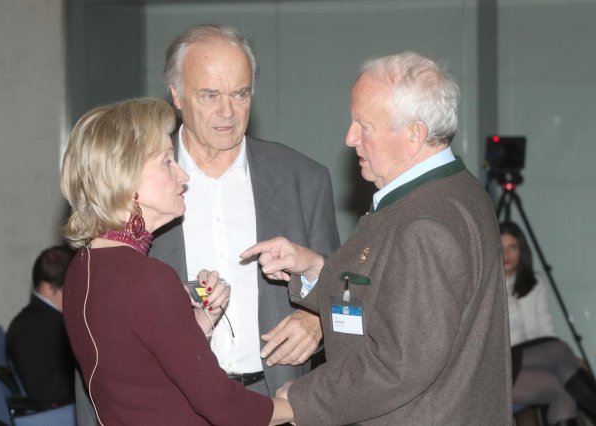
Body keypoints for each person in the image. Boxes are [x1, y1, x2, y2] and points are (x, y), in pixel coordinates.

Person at [241, 51, 512, 425]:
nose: (350, 138)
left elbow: (400, 364)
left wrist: (300, 401)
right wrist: (316, 269)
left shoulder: (425, 224)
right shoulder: (452, 190)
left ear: (414, 135)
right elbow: (392, 297)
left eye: (364, 125)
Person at [60, 97, 293, 425]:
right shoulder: (148, 279)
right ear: (126, 178)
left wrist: (197, 324)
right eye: (167, 161)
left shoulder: (80, 269)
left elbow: (141, 377)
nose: (183, 175)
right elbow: (225, 408)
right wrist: (299, 405)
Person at [151, 24, 340, 392]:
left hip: (273, 396)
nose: (227, 112)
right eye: (209, 95)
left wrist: (316, 320)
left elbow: (341, 284)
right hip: (172, 399)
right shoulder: (138, 181)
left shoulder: (303, 178)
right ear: (176, 95)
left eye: (240, 94)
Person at [500, 221, 596, 425]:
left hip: (528, 360)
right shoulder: (486, 285)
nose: (506, 254)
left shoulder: (534, 282)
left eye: (512, 247)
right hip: (499, 364)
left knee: (565, 390)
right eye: (501, 247)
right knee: (561, 351)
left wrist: (570, 360)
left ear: (521, 250)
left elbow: (545, 330)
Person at [6, 245, 75, 403]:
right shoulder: (26, 330)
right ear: (47, 288)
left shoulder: (60, 319)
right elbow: (48, 393)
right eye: (71, 288)